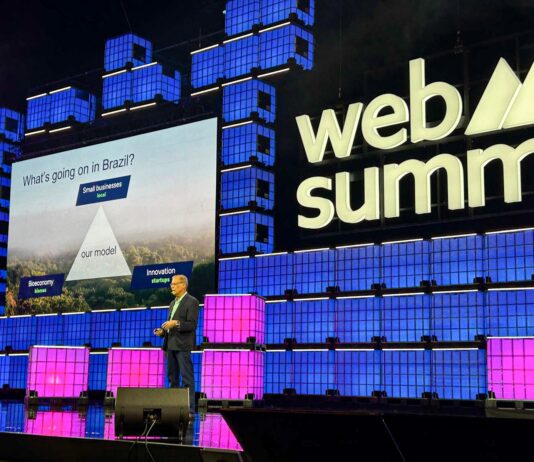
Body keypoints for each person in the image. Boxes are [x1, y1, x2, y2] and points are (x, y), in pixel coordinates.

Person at [154, 274, 199, 416]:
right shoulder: (172, 303)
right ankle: (173, 408)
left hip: (183, 346)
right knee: (172, 379)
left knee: (187, 378)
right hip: (170, 345)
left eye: (174, 284)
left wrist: (176, 323)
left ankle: (190, 410)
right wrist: (162, 332)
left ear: (183, 285)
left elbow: (192, 325)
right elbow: (170, 326)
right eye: (171, 284)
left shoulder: (192, 301)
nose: (171, 286)